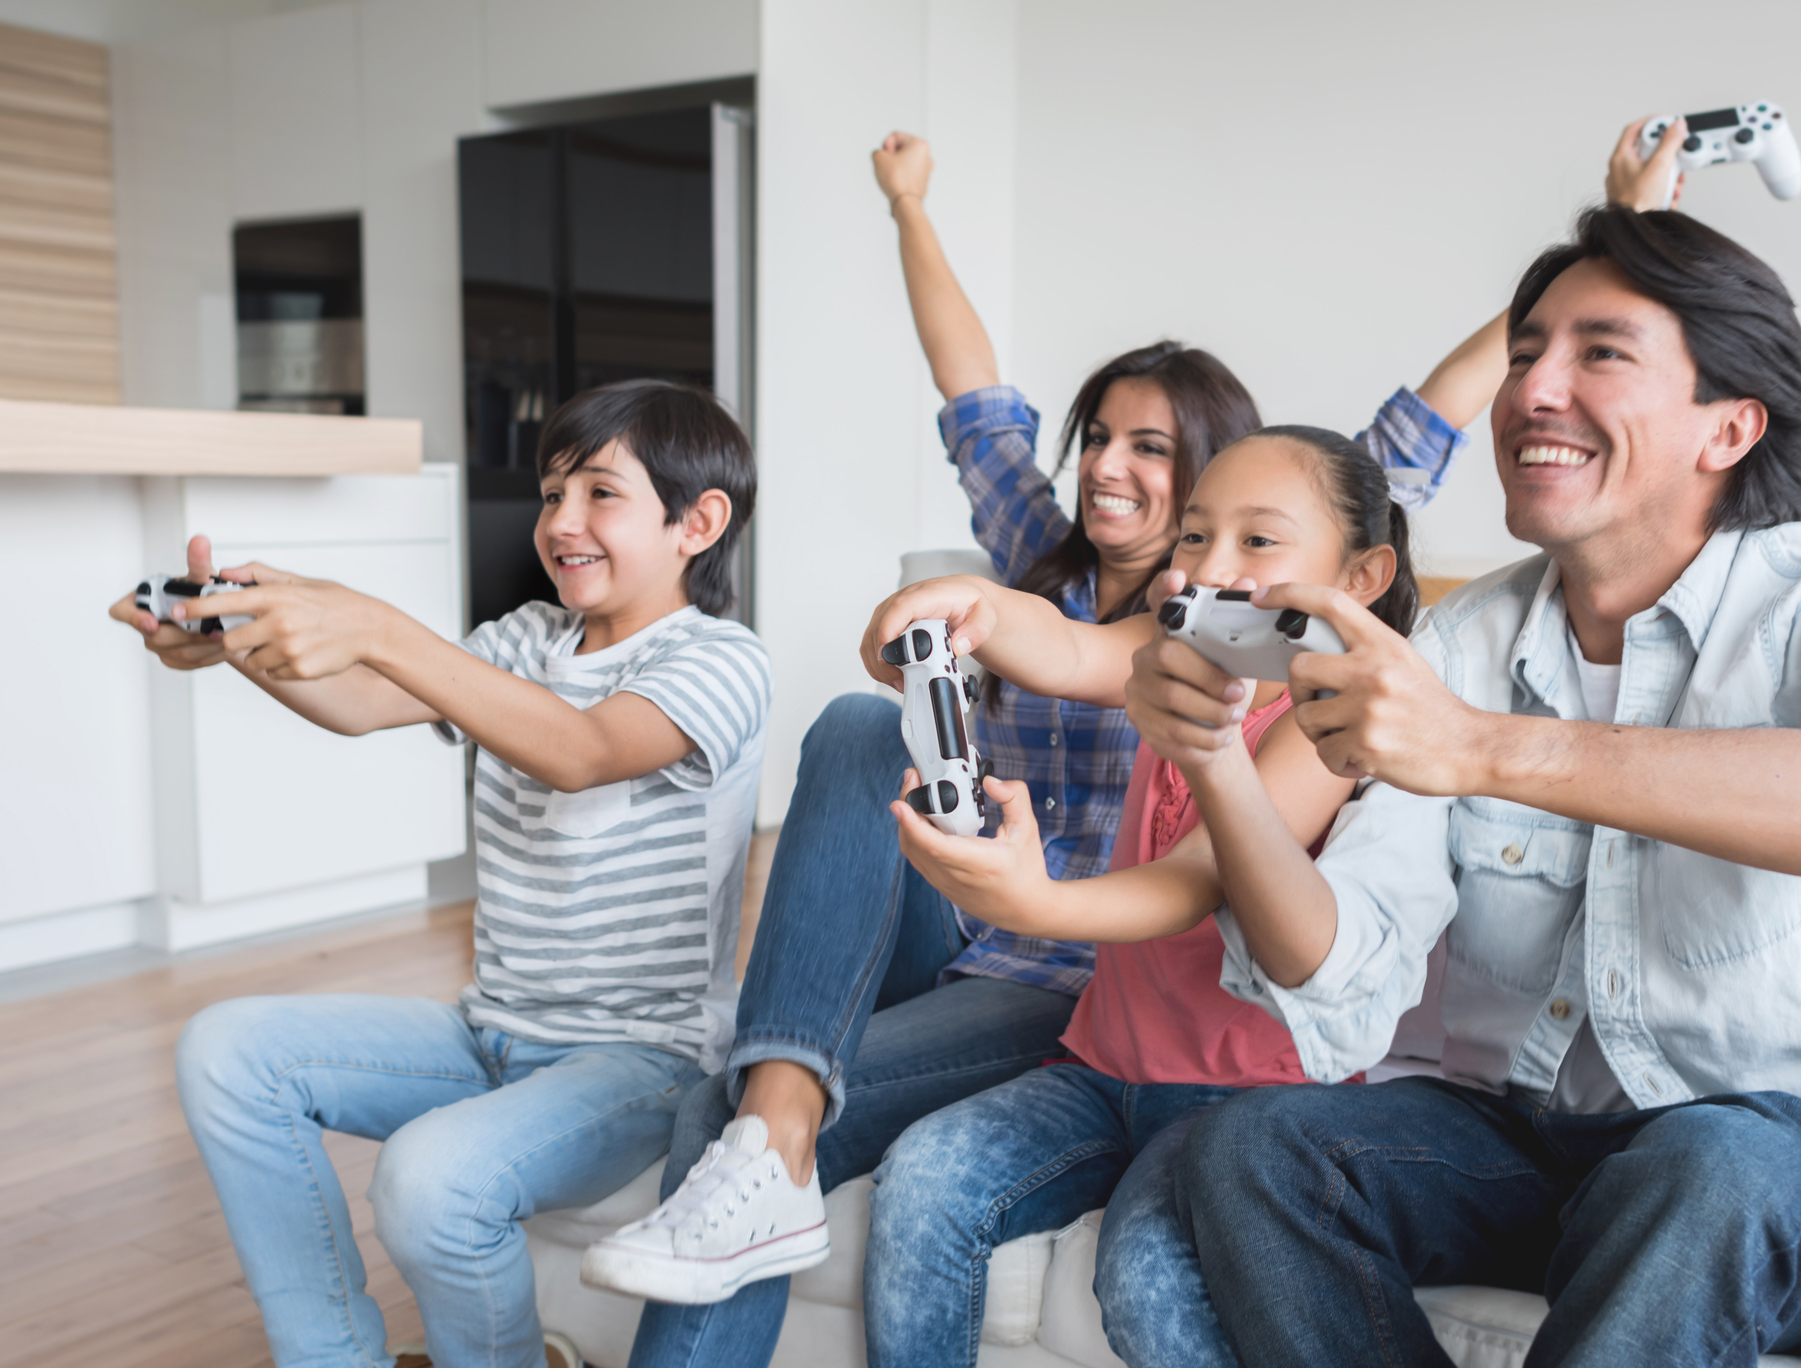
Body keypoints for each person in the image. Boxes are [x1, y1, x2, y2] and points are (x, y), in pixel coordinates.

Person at [584, 124, 1509, 1361]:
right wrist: (962, 606)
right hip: (1005, 941)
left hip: (1098, 981)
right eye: (1103, 446)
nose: (1120, 481)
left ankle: (771, 1124)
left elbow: (1413, 436)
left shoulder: (1327, 686)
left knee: (1121, 1266)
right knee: (865, 726)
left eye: (1159, 459)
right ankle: (770, 1128)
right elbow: (1038, 572)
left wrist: (1549, 305)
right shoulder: (1084, 581)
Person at [1125, 206, 1801, 1367]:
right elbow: (1338, 961)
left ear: (1727, 426)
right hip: (1509, 1137)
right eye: (1524, 355)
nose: (1530, 390)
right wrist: (1214, 759)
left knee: (1702, 1170)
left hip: (1754, 1152)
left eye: (1597, 353)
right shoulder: (1462, 639)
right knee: (1247, 1151)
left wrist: (1488, 749)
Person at [117, 380, 770, 1368]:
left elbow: (581, 750)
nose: (562, 522)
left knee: (428, 1180)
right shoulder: (519, 642)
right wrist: (229, 641)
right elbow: (362, 702)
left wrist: (377, 623)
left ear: (699, 522)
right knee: (226, 1050)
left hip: (642, 1060)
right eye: (552, 495)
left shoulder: (719, 660)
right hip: (492, 1031)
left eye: (599, 493)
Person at [854, 425, 1418, 1368]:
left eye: (1258, 541)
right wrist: (975, 604)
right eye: (1195, 537)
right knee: (923, 1177)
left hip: (1243, 1104)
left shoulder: (1334, 717)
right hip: (1102, 1067)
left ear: (1360, 577)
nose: (1212, 564)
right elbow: (1068, 646)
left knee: (1148, 1279)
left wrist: (1034, 902)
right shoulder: (1175, 652)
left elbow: (1192, 882)